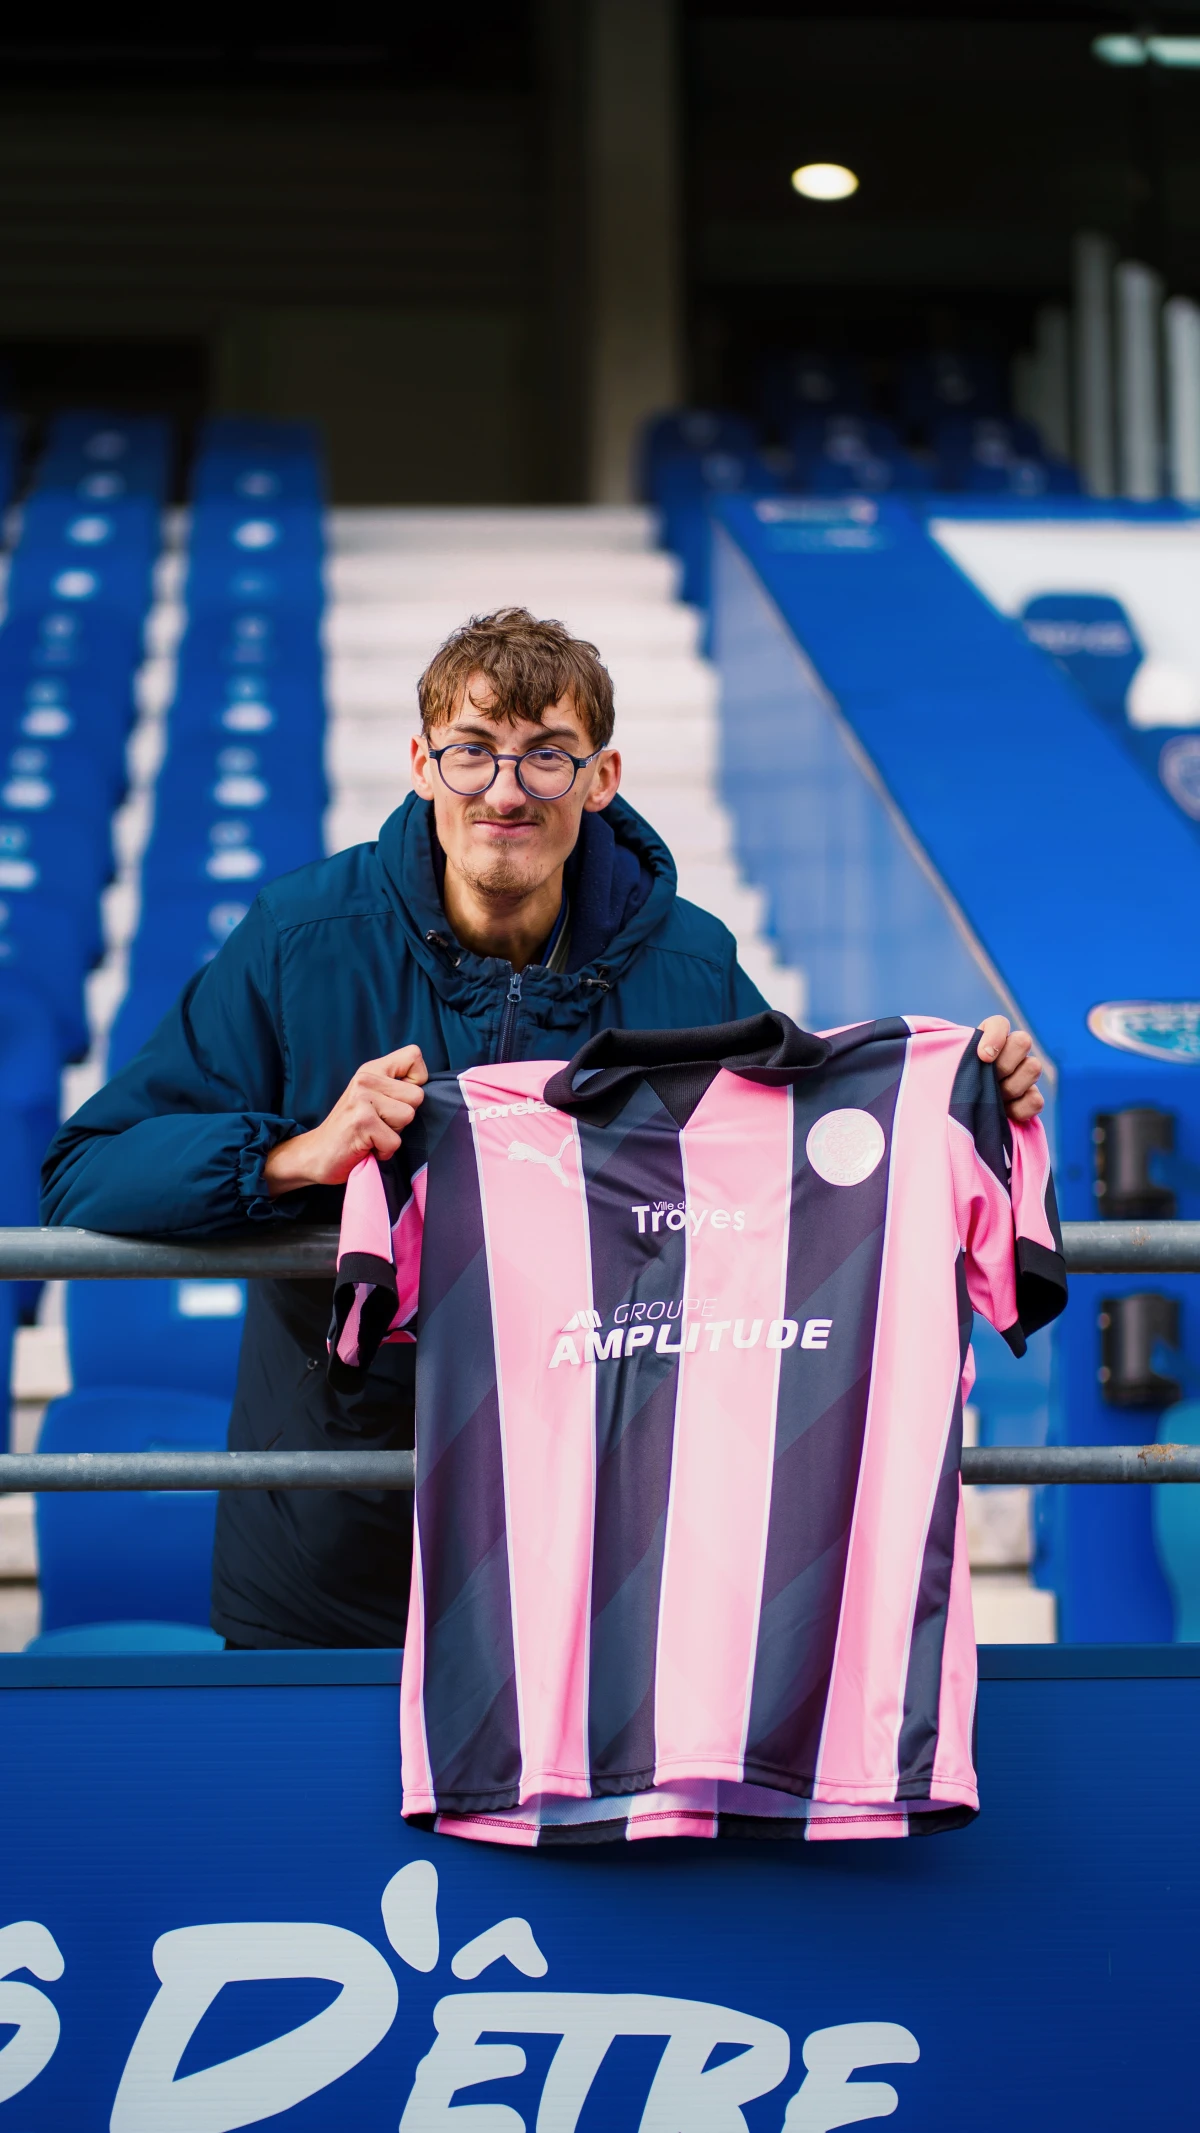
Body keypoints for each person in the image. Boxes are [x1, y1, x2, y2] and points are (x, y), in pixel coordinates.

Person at [41, 607, 1044, 1649]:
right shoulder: (304, 940)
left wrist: (965, 1109)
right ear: (421, 765)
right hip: (335, 1538)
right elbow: (87, 1174)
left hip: (602, 1540)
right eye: (472, 753)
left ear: (602, 778)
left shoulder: (688, 970)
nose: (505, 792)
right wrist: (296, 1155)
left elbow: (803, 1182)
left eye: (546, 759)